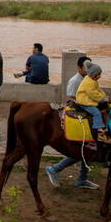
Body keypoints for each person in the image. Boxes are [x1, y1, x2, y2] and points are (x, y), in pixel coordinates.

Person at [45, 56, 99, 189]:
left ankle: (82, 178)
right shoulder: (75, 81)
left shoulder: (87, 79)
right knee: (83, 150)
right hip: (78, 117)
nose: (87, 70)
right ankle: (56, 169)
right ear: (79, 68)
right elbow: (71, 99)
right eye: (85, 68)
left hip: (87, 115)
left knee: (86, 148)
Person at [75, 63, 111, 143]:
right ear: (93, 74)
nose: (100, 76)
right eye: (98, 74)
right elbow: (94, 94)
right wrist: (103, 99)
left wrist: (105, 96)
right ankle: (99, 132)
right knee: (97, 113)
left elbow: (98, 90)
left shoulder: (92, 80)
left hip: (89, 99)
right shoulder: (89, 83)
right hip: (84, 102)